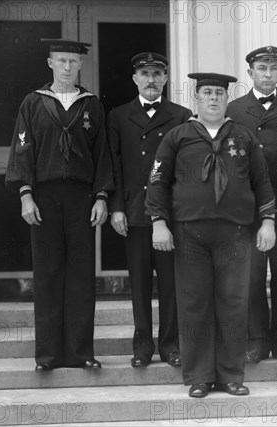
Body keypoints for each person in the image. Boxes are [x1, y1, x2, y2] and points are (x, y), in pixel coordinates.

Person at [146, 72, 276, 398]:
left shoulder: (243, 137)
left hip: (235, 234)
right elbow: (158, 182)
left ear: (227, 99)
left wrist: (268, 222)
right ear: (197, 99)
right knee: (194, 305)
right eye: (207, 93)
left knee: (234, 305)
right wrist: (158, 222)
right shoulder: (178, 136)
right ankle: (199, 377)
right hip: (190, 234)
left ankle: (231, 375)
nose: (214, 98)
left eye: (219, 93)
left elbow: (261, 182)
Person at [5, 39, 114, 371]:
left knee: (81, 274)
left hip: (81, 198)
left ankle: (82, 353)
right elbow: (22, 151)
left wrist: (101, 197)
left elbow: (102, 154)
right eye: (61, 61)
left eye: (73, 62)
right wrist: (26, 195)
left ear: (80, 65)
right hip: (44, 198)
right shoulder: (33, 103)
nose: (67, 67)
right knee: (48, 274)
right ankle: (48, 356)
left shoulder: (92, 104)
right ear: (50, 63)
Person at [107, 52, 192, 368]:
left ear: (166, 78)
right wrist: (116, 207)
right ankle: (142, 346)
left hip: (169, 218)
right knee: (139, 284)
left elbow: (186, 170)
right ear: (135, 79)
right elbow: (113, 165)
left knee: (171, 284)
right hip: (134, 212)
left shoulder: (182, 116)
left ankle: (171, 345)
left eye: (158, 73)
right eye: (145, 73)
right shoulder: (118, 116)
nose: (152, 80)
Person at [227, 46, 277, 364]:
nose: (268, 74)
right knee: (252, 277)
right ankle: (256, 342)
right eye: (262, 68)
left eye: (273, 68)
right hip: (248, 211)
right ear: (250, 73)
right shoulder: (235, 109)